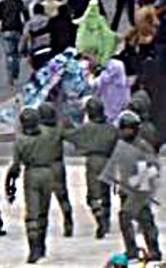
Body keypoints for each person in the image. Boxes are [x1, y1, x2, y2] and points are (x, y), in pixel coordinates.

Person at [63, 97, 118, 239]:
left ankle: (99, 219)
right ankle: (105, 219)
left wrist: (65, 125)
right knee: (105, 192)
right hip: (108, 161)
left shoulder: (87, 129)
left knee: (93, 195)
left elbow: (70, 135)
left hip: (93, 162)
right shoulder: (111, 128)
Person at [5, 108, 55, 263]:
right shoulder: (47, 135)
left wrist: (9, 182)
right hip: (48, 172)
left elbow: (15, 166)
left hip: (31, 174)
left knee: (32, 213)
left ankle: (34, 249)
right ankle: (42, 244)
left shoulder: (20, 141)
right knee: (43, 212)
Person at [114, 111, 162, 262]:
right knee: (126, 220)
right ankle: (131, 250)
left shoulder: (142, 146)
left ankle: (154, 250)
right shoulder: (120, 144)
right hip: (126, 190)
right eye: (124, 128)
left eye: (129, 128)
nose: (126, 132)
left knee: (145, 221)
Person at [38, 103, 74, 238]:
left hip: (43, 166)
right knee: (63, 196)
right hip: (58, 165)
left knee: (42, 200)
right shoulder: (59, 129)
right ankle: (68, 219)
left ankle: (41, 227)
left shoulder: (37, 131)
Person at [75, 0, 118, 66]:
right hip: (95, 44)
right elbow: (106, 31)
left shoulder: (84, 18)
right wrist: (114, 35)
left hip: (83, 44)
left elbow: (76, 22)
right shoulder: (100, 19)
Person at [92, 59, 131, 125]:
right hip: (118, 114)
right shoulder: (124, 82)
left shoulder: (102, 78)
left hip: (103, 111)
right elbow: (127, 100)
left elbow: (93, 86)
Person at [21, 3, 53, 71]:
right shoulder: (49, 20)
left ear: (34, 12)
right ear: (43, 11)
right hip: (49, 47)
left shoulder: (29, 23)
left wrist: (22, 50)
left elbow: (25, 37)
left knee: (36, 70)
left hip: (36, 49)